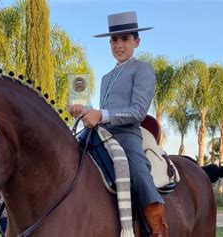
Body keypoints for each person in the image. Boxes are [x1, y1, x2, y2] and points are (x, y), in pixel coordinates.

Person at [68, 11, 168, 237]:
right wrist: (82, 110)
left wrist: (100, 115)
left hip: (127, 133)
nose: (118, 45)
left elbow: (138, 111)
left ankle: (158, 229)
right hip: (99, 132)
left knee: (139, 172)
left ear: (137, 41)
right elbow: (100, 110)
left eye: (124, 39)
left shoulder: (143, 69)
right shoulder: (105, 78)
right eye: (114, 40)